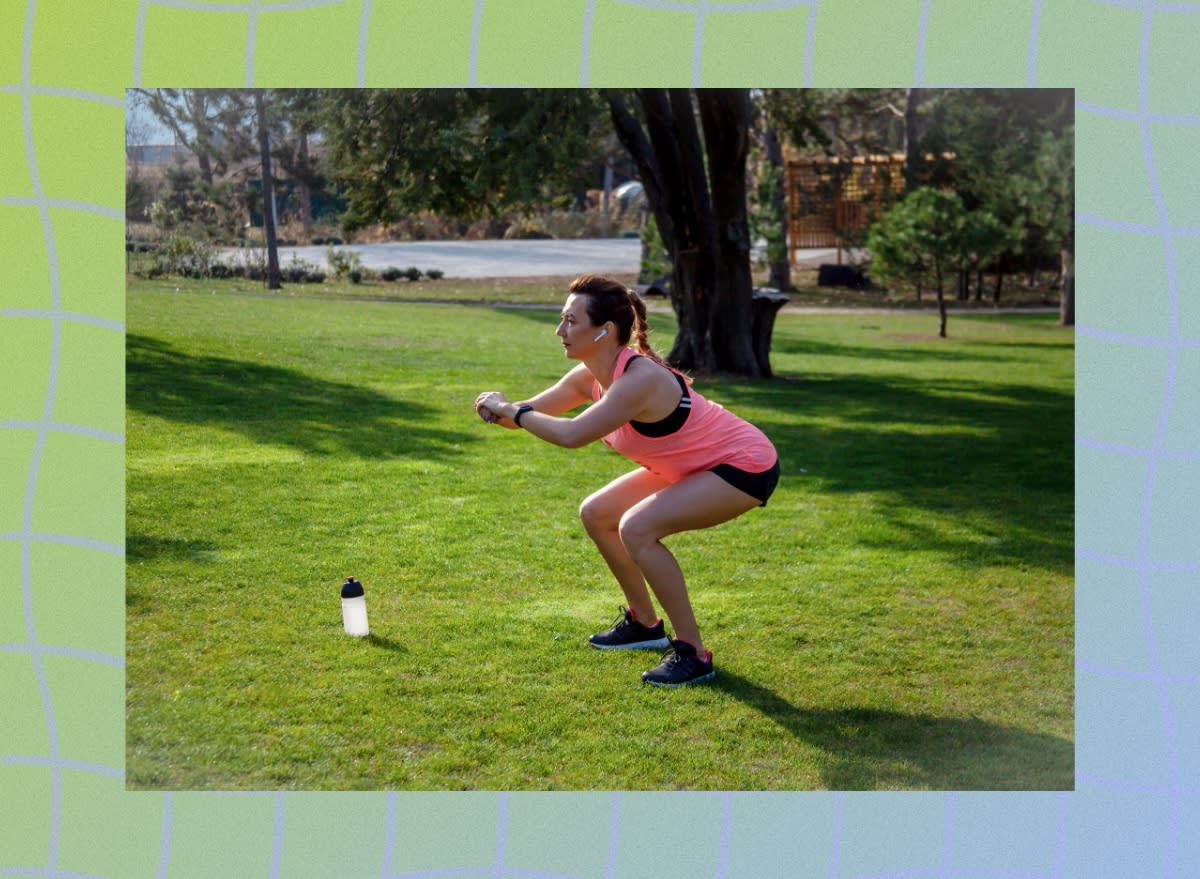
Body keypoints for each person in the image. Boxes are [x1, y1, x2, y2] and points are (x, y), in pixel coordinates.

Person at [474, 275, 780, 687]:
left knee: (637, 528)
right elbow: (526, 417)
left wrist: (512, 410)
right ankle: (645, 625)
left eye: (570, 320)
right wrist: (500, 410)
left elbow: (571, 434)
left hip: (743, 465)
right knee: (597, 513)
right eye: (562, 319)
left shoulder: (639, 379)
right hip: (688, 466)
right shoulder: (589, 377)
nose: (559, 330)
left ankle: (693, 652)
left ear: (604, 331)